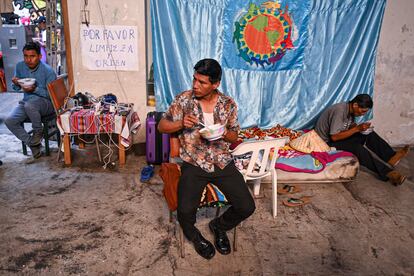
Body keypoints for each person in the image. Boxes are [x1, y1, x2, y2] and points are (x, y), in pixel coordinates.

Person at [158, 59, 255, 259]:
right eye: (195, 79)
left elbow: (234, 136)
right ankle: (195, 236)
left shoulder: (228, 104)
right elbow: (161, 126)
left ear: (215, 84)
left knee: (247, 206)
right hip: (194, 162)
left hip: (221, 161)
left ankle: (218, 226)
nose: (195, 85)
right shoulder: (184, 99)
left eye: (202, 82)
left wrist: (222, 132)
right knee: (184, 212)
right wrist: (180, 124)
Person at [315, 94, 409, 186]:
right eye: (363, 111)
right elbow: (334, 137)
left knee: (369, 134)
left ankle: (391, 157)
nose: (363, 114)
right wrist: (357, 129)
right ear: (355, 105)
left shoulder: (350, 110)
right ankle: (387, 173)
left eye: (365, 112)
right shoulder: (339, 111)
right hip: (326, 143)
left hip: (337, 139)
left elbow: (347, 127)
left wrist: (360, 128)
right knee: (357, 148)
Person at [5, 42, 56, 160]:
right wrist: (16, 84)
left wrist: (35, 89)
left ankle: (38, 132)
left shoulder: (48, 71)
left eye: (32, 56)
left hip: (46, 103)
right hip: (27, 102)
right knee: (9, 121)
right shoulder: (20, 66)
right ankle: (34, 144)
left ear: (39, 56)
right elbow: (17, 88)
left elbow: (51, 95)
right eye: (26, 56)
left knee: (30, 105)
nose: (28, 60)